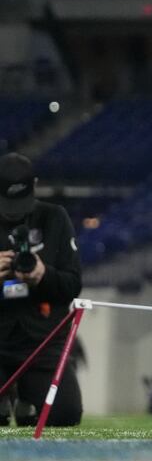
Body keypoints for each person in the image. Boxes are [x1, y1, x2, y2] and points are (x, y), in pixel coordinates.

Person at [0, 152, 83, 428]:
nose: (13, 210)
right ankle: (8, 397)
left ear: (34, 185)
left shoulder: (54, 218)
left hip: (41, 341)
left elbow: (72, 284)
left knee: (65, 415)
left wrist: (42, 275)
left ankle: (25, 397)